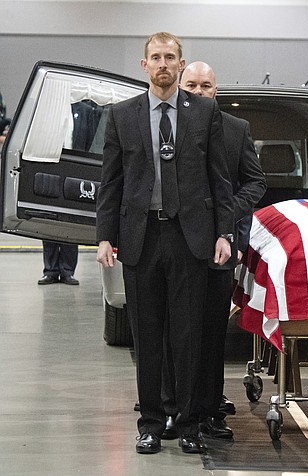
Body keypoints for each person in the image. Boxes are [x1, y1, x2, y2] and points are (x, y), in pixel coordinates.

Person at [96, 32, 235, 455]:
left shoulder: (205, 113)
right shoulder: (123, 115)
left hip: (189, 238)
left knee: (187, 337)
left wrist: (224, 232)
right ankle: (152, 424)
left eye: (170, 57)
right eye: (155, 57)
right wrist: (104, 235)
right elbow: (112, 181)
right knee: (148, 337)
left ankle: (190, 424)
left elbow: (220, 179)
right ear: (144, 65)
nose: (162, 64)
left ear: (180, 63)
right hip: (141, 237)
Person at [178, 61, 266, 440]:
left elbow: (255, 182)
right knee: (176, 333)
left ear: (217, 90)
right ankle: (174, 408)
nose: (199, 92)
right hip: (175, 248)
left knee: (212, 334)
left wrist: (226, 215)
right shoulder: (164, 129)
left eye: (206, 86)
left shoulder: (236, 130)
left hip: (220, 248)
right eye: (192, 85)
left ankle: (211, 409)